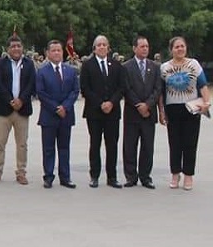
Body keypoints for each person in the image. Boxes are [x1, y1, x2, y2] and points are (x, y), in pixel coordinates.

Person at [159, 36, 210, 191]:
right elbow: (161, 92)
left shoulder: (194, 64)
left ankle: (188, 175)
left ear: (186, 48)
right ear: (171, 50)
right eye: (176, 47)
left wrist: (206, 103)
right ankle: (175, 174)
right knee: (174, 143)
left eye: (182, 46)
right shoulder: (164, 68)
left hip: (191, 108)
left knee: (190, 143)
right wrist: (161, 110)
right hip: (172, 109)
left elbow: (203, 85)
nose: (180, 49)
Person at [80, 35, 124, 188]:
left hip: (113, 111)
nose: (102, 47)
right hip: (94, 112)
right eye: (98, 45)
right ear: (94, 48)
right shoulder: (87, 65)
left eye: (104, 44)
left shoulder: (117, 65)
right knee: (95, 144)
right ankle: (94, 176)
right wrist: (100, 103)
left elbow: (121, 87)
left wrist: (111, 102)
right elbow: (85, 88)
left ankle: (112, 177)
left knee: (112, 144)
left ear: (108, 47)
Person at [0, 35, 36, 185]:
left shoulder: (29, 64)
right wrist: (10, 100)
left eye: (18, 46)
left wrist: (21, 100)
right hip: (4, 109)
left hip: (22, 110)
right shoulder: (0, 64)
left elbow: (31, 84)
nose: (16, 49)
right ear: (8, 49)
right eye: (13, 46)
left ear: (22, 48)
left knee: (22, 144)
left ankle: (21, 172)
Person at [36, 40, 79, 189]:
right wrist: (56, 108)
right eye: (53, 50)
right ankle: (48, 176)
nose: (56, 53)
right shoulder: (42, 72)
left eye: (59, 50)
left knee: (64, 148)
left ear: (63, 52)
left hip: (66, 116)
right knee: (48, 149)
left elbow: (75, 91)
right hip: (49, 116)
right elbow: (41, 93)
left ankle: (65, 177)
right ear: (47, 53)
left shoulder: (71, 71)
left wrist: (65, 107)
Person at [121, 36, 162, 189]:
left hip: (149, 114)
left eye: (147, 46)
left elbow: (158, 89)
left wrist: (148, 105)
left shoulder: (155, 66)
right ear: (134, 48)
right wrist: (139, 105)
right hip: (132, 112)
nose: (145, 49)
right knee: (130, 146)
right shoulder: (126, 67)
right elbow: (126, 89)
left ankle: (145, 176)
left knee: (147, 146)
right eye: (142, 46)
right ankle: (131, 176)